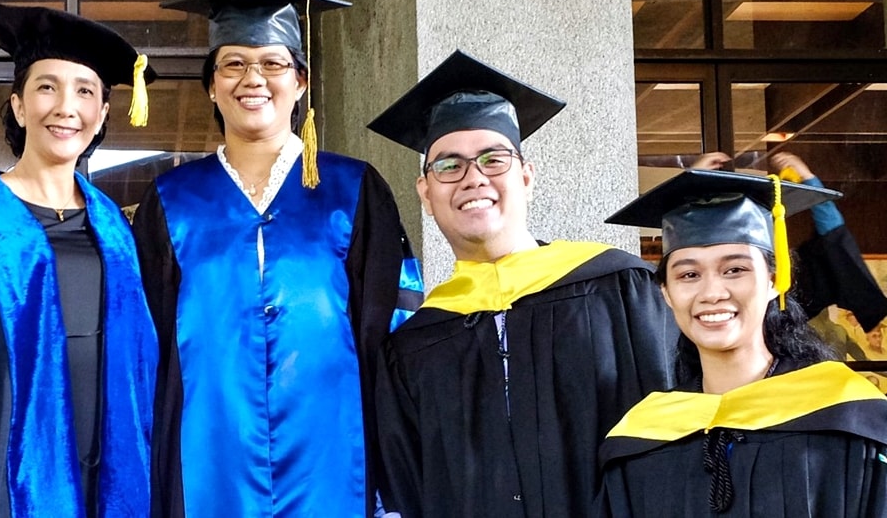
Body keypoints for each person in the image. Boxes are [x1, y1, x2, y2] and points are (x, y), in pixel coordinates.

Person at [132, 0, 422, 518]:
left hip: (335, 447)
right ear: (212, 88)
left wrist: (395, 474)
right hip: (206, 448)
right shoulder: (173, 200)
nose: (253, 79)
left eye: (273, 63)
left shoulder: (353, 189)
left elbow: (395, 329)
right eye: (233, 64)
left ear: (301, 81)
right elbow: (145, 339)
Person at [367, 50, 678, 518]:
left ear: (527, 177)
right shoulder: (414, 346)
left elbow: (675, 436)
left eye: (494, 160)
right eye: (449, 166)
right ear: (426, 195)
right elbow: (409, 489)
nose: (473, 178)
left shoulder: (618, 290)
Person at [0, 5, 158, 517]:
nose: (66, 107)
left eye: (84, 91)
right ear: (18, 105)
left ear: (100, 115)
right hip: (0, 485)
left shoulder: (115, 227)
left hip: (110, 479)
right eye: (47, 87)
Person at [599, 169, 887, 516]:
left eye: (734, 270)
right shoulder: (644, 437)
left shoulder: (849, 418)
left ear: (774, 281)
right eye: (689, 275)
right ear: (666, 294)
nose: (712, 293)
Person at [691, 151, 887, 333]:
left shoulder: (789, 286)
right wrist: (693, 179)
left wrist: (807, 178)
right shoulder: (703, 288)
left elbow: (833, 238)